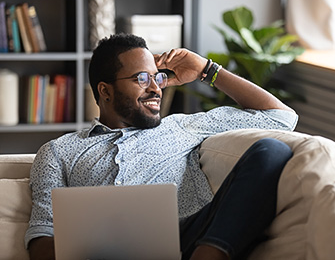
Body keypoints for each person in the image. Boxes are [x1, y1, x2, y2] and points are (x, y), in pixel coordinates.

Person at [25, 33, 298, 260]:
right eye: (141, 79)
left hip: (190, 238)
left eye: (158, 77)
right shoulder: (58, 151)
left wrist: (207, 70)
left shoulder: (181, 126)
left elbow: (282, 118)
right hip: (107, 252)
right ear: (105, 91)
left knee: (272, 152)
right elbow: (41, 236)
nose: (156, 88)